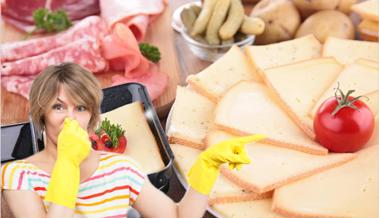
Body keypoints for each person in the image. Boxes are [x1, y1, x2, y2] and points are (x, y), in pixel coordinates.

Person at [1, 63, 265, 218]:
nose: (70, 118)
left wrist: (207, 168)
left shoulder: (120, 169)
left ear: (92, 116)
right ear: (41, 113)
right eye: (58, 107)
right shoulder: (19, 175)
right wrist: (67, 166)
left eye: (80, 108)